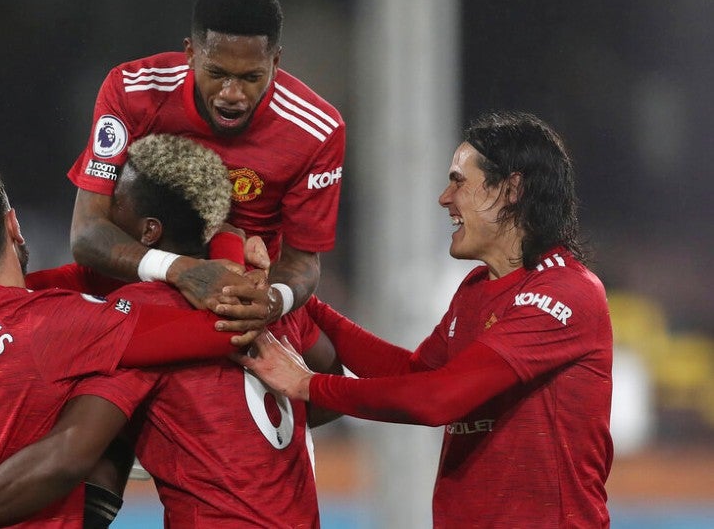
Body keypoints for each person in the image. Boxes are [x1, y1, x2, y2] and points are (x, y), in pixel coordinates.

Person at [0, 134, 341, 528]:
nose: (100, 217)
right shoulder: (269, 297)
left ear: (148, 232)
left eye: (112, 206)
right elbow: (330, 386)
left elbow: (72, 451)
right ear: (13, 225)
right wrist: (230, 243)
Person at [235, 111, 614, 527]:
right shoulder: (476, 288)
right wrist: (302, 301)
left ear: (511, 189)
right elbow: (414, 373)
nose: (444, 197)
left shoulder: (566, 293)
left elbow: (437, 399)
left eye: (458, 181)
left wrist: (307, 383)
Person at [66, 0, 345, 325]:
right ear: (191, 54)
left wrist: (272, 301)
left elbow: (302, 263)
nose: (232, 93)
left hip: (245, 303)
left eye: (251, 77)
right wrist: (183, 272)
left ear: (275, 62)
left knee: (350, 366)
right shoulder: (133, 91)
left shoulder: (316, 131)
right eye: (216, 73)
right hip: (131, 283)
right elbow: (87, 233)